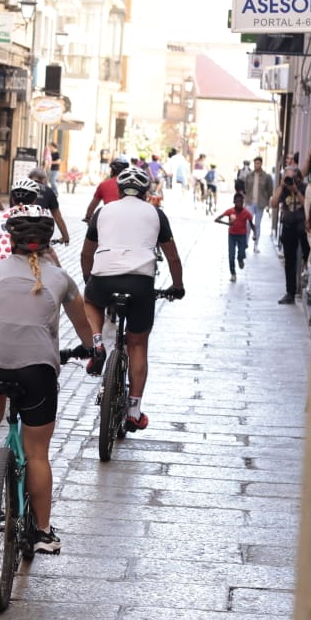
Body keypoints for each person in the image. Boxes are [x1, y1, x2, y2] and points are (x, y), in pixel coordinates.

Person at [0, 205, 96, 555]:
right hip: (37, 368)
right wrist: (91, 349)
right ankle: (41, 531)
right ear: (47, 241)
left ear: (13, 240)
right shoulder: (60, 278)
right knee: (37, 453)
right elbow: (83, 323)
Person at [81, 166, 185, 433]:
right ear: (145, 191)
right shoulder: (156, 214)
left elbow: (86, 253)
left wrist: (89, 280)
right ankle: (134, 411)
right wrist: (177, 286)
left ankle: (97, 344)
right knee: (137, 345)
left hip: (104, 280)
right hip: (140, 283)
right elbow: (172, 258)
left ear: (118, 190)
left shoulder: (102, 212)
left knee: (91, 301)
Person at [272, 169, 311, 304]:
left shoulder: (305, 188)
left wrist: (296, 190)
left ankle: (309, 286)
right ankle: (290, 293)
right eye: (287, 178)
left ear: (299, 178)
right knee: (289, 262)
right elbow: (273, 204)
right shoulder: (284, 189)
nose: (290, 181)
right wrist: (281, 186)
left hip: (302, 227)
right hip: (288, 227)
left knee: (308, 256)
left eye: (292, 178)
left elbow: (307, 205)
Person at [215, 192, 253, 283]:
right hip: (232, 235)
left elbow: (252, 224)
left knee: (241, 253)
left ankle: (240, 259)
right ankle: (233, 274)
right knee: (231, 255)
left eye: (241, 202)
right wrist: (228, 224)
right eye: (237, 202)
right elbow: (217, 219)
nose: (239, 204)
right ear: (234, 202)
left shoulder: (246, 213)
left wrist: (255, 234)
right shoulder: (230, 211)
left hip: (242, 236)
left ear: (243, 202)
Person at [81, 155, 128, 225]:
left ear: (112, 171)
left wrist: (88, 217)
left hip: (108, 220)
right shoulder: (130, 184)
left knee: (90, 234)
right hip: (127, 221)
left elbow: (92, 206)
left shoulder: (103, 185)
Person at [242, 156, 275, 253]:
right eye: (255, 163)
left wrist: (267, 201)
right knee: (248, 224)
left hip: (260, 203)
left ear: (261, 164)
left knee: (257, 225)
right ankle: (245, 244)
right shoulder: (249, 175)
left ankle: (256, 245)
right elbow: (246, 188)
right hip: (250, 203)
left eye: (258, 163)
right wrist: (246, 200)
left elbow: (270, 190)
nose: (256, 165)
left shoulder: (266, 176)